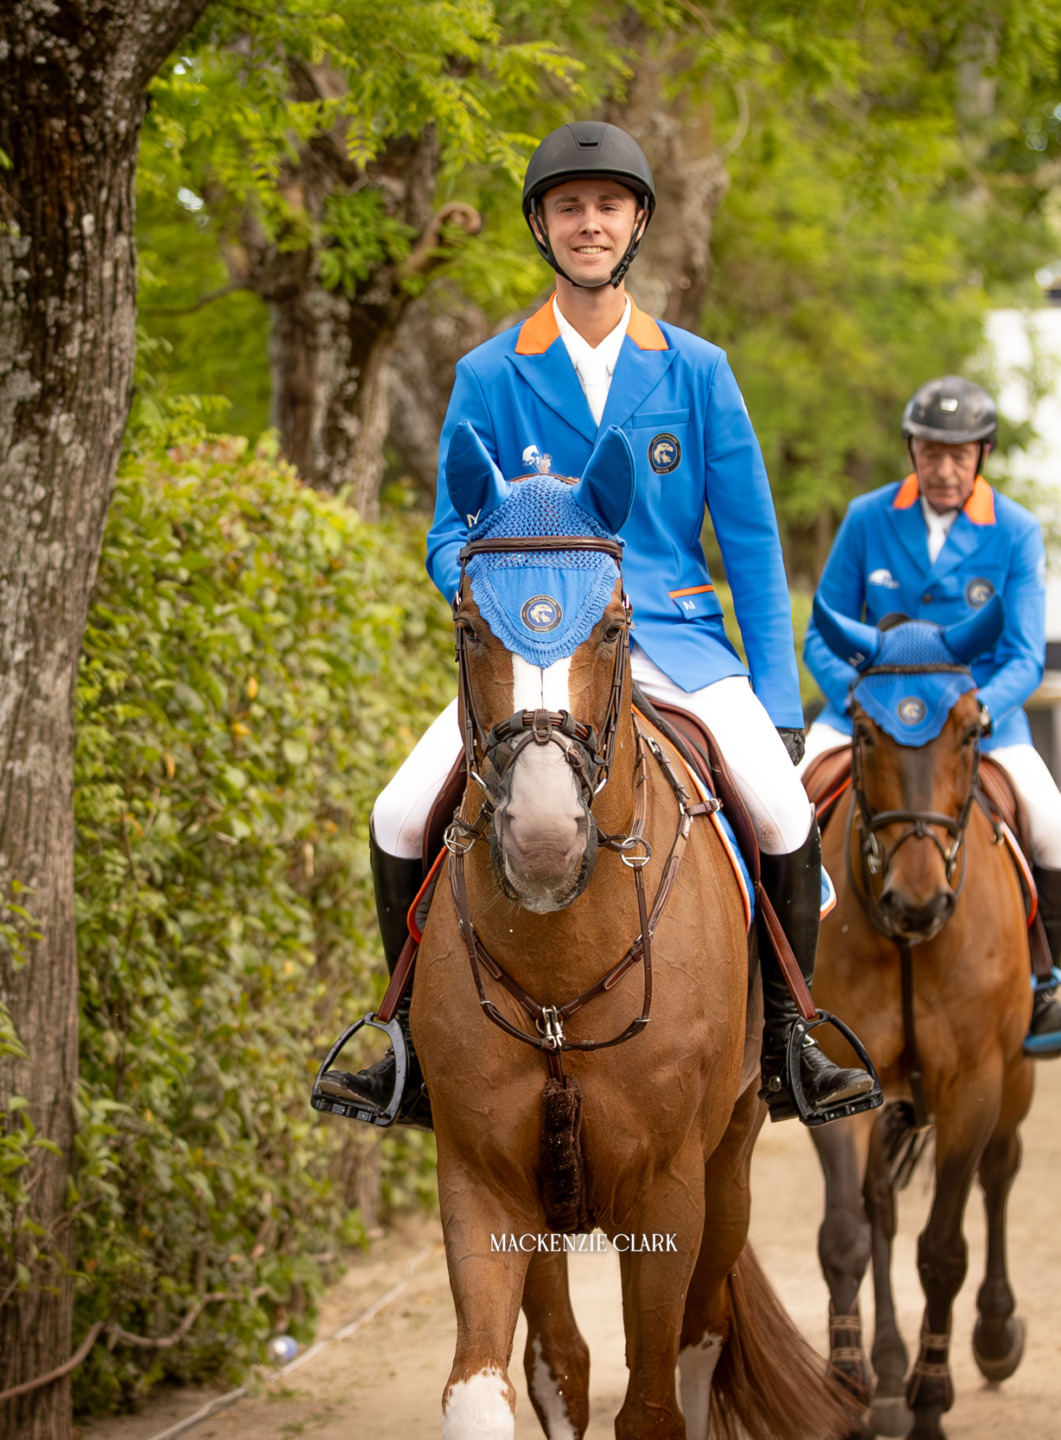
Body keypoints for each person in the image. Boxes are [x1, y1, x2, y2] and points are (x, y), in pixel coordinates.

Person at [316, 120, 873, 1130]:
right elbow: (450, 532)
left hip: (678, 644)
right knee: (398, 815)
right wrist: (483, 581)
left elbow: (750, 548)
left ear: (637, 223)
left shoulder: (698, 370)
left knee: (787, 817)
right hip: (533, 652)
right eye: (568, 205)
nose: (587, 223)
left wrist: (783, 708)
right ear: (542, 224)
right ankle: (404, 1044)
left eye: (606, 205)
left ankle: (792, 1040)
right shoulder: (491, 373)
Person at [799, 376, 1061, 1046]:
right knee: (782, 810)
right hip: (866, 711)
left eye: (958, 455)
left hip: (974, 718)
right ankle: (776, 985)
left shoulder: (1014, 531)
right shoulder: (868, 516)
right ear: (912, 451)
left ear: (981, 454)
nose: (944, 468)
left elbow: (1024, 654)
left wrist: (980, 709)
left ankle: (1042, 985)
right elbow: (821, 630)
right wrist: (849, 690)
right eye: (931, 452)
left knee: (1055, 831)